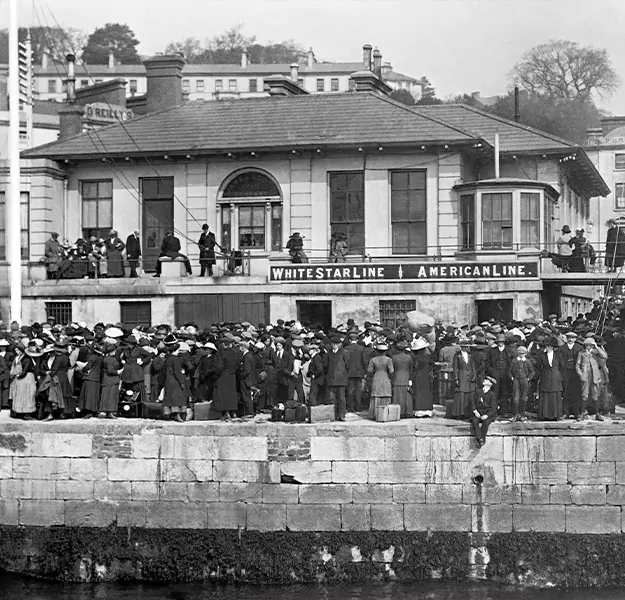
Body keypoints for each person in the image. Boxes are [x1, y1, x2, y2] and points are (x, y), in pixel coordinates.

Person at [576, 337, 608, 421]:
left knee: (595, 395)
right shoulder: (581, 353)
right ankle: (583, 413)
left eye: (590, 345)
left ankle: (597, 414)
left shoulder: (595, 353)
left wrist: (597, 347)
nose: (588, 347)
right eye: (587, 345)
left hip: (595, 375)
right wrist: (581, 374)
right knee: (584, 394)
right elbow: (577, 365)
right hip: (585, 375)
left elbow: (604, 356)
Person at [485, 333, 513, 417]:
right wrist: (493, 372)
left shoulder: (509, 350)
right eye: (499, 342)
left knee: (505, 392)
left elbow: (512, 363)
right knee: (495, 393)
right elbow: (487, 364)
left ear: (504, 342)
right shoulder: (492, 351)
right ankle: (494, 411)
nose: (500, 343)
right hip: (495, 375)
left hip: (506, 375)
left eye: (502, 342)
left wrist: (509, 372)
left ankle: (504, 411)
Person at [557, 331, 583, 419]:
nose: (570, 340)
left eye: (572, 338)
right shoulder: (562, 348)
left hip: (576, 373)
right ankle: (566, 412)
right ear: (566, 339)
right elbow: (560, 362)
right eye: (569, 338)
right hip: (565, 373)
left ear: (575, 339)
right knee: (566, 392)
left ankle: (577, 413)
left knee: (576, 392)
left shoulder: (579, 348)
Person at [537, 336, 563, 421]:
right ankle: (544, 415)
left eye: (549, 346)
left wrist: (558, 374)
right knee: (545, 395)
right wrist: (543, 373)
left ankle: (556, 415)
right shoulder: (542, 356)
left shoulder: (558, 355)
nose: (547, 348)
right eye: (546, 346)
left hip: (555, 377)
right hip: (545, 376)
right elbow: (538, 366)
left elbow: (562, 366)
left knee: (555, 395)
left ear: (552, 347)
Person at [163, 342, 191, 422]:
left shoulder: (168, 358)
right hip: (175, 381)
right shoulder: (176, 359)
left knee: (170, 398)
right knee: (178, 398)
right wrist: (182, 382)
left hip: (168, 380)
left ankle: (169, 414)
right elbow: (177, 372)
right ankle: (177, 414)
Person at [367, 342, 394, 420]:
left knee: (376, 395)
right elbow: (391, 371)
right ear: (385, 351)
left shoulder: (373, 359)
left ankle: (374, 414)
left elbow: (369, 370)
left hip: (376, 377)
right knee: (385, 394)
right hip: (385, 377)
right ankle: (385, 414)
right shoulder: (389, 360)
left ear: (377, 351)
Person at [451, 338, 477, 419]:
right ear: (461, 347)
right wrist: (456, 378)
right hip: (461, 376)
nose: (466, 348)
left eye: (467, 346)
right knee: (461, 394)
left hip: (469, 375)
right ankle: (460, 413)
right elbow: (455, 368)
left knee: (469, 395)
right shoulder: (457, 355)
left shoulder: (470, 355)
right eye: (464, 346)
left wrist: (474, 375)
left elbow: (473, 366)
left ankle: (467, 413)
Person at [326, 334, 350, 421]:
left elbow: (348, 365)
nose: (334, 345)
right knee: (332, 399)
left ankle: (342, 415)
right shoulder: (329, 353)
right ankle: (334, 415)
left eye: (336, 344)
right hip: (331, 379)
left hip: (341, 379)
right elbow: (326, 365)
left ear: (339, 344)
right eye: (333, 343)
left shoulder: (344, 352)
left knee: (341, 399)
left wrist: (344, 375)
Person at [508, 345, 535, 422]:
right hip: (516, 380)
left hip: (524, 380)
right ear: (518, 353)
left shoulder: (527, 361)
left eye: (523, 353)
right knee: (515, 398)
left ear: (525, 353)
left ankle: (522, 415)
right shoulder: (514, 361)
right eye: (520, 353)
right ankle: (515, 414)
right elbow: (509, 371)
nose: (521, 355)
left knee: (524, 398)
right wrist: (512, 378)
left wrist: (528, 378)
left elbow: (532, 372)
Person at [470, 376, 498, 448]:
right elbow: (472, 402)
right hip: (478, 413)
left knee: (486, 423)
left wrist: (487, 415)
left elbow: (494, 409)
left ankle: (482, 439)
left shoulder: (492, 394)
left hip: (487, 414)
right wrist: (475, 411)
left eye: (487, 380)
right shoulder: (478, 391)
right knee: (475, 421)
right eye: (485, 379)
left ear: (490, 384)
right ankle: (479, 438)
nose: (484, 380)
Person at [410, 337, 433, 418]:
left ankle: (419, 410)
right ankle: (427, 410)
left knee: (418, 392)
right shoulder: (427, 357)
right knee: (426, 392)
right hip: (426, 375)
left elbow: (415, 367)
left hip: (418, 376)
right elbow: (431, 366)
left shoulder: (416, 358)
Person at [345, 332, 366, 413]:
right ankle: (358, 407)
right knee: (358, 390)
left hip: (349, 372)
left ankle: (351, 407)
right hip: (359, 372)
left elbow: (346, 361)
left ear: (350, 340)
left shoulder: (346, 348)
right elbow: (364, 361)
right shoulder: (362, 348)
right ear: (357, 340)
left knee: (350, 390)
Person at [391, 340, 413, 417]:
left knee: (397, 395)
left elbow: (392, 369)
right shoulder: (409, 357)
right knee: (406, 396)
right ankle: (407, 411)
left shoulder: (394, 357)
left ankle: (398, 412)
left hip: (397, 376)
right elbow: (411, 369)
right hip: (406, 376)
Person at [99, 343, 120, 419]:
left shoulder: (106, 358)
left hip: (107, 379)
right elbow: (110, 370)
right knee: (111, 396)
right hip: (111, 379)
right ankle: (110, 411)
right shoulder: (110, 359)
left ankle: (107, 411)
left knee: (107, 395)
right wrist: (118, 372)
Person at [239, 340, 257, 417]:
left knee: (246, 396)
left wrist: (241, 376)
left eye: (240, 347)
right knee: (248, 395)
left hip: (246, 380)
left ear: (243, 348)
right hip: (249, 379)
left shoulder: (246, 357)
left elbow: (247, 370)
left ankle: (249, 412)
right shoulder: (250, 355)